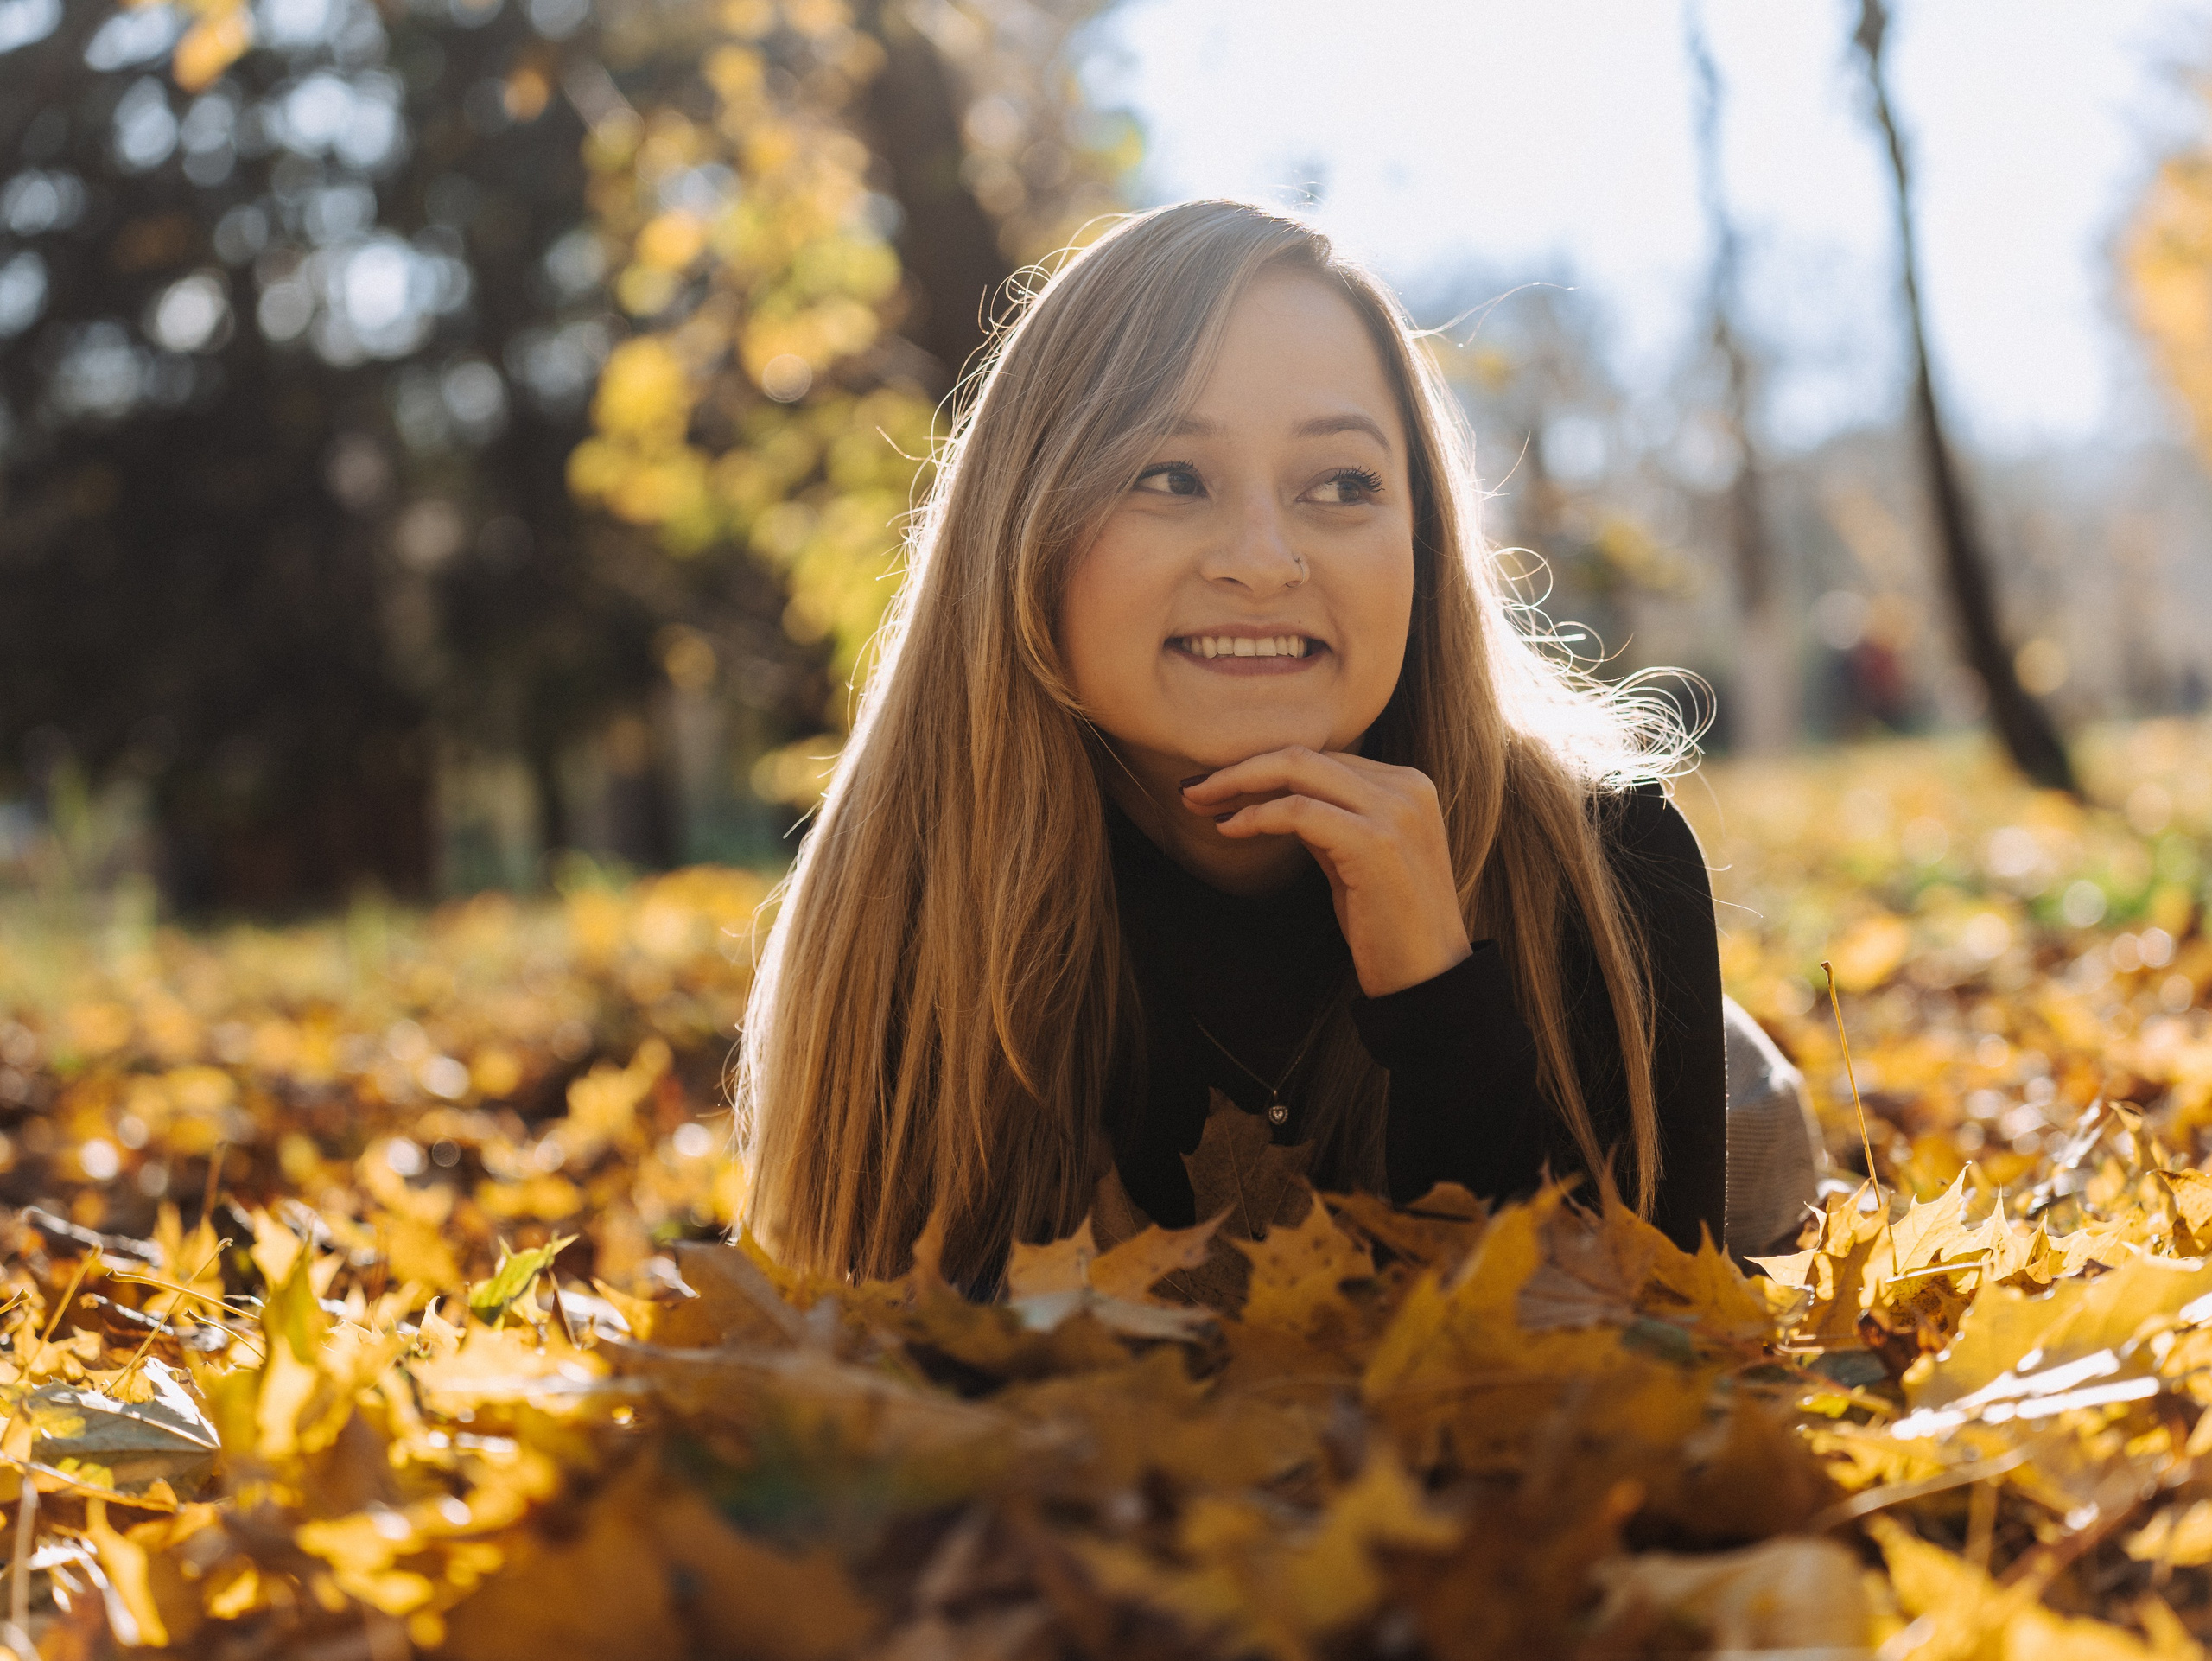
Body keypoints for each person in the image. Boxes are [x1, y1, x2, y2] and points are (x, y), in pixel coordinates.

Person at [735, 200, 1727, 1294]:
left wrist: (1440, 1007)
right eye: (1171, 476)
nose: (1264, 560)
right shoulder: (908, 895)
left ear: (1425, 541)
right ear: (1025, 525)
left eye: (1343, 484)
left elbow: (1628, 1394)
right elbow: (877, 1391)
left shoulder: (1609, 862)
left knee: (1755, 1114)